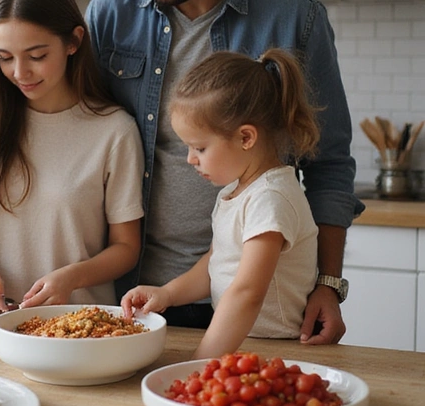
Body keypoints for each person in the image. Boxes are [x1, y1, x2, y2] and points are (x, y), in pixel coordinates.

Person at [87, 0, 363, 344]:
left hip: (256, 301)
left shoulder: (295, 18)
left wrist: (329, 283)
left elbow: (329, 164)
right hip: (137, 291)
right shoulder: (110, 14)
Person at [0, 0, 144, 314]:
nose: (20, 72)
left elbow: (126, 248)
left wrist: (72, 277)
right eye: (5, 57)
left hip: (81, 324)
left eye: (36, 56)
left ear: (73, 42)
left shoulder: (114, 131)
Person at [121, 49, 320, 359]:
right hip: (242, 341)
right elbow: (216, 263)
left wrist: (200, 362)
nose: (190, 159)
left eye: (199, 147)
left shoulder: (270, 199)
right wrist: (167, 293)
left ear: (246, 138)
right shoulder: (234, 192)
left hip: (276, 349)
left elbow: (247, 293)